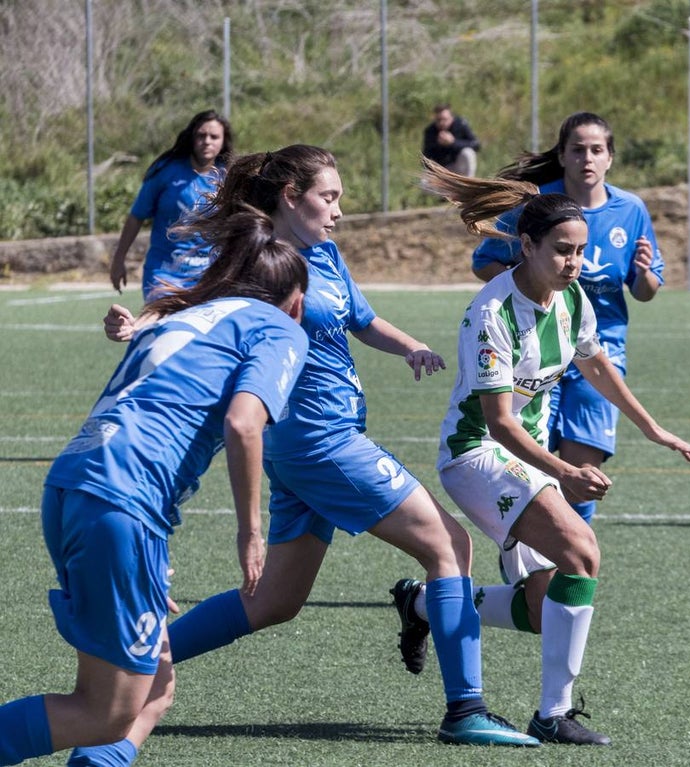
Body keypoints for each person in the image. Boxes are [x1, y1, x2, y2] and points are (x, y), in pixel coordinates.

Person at [93, 144, 538, 755]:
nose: (337, 211)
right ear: (290, 196)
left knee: (275, 600)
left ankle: (140, 661)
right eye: (328, 198)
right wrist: (138, 325)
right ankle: (466, 710)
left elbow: (360, 317)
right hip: (318, 441)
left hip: (313, 444)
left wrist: (409, 346)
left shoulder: (325, 253)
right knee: (449, 545)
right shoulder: (259, 262)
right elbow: (198, 305)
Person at [402, 159, 690, 745]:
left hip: (523, 458)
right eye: (563, 250)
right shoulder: (492, 313)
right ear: (528, 245)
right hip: (477, 455)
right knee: (581, 551)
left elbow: (595, 363)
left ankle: (424, 607)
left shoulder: (572, 298)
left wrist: (651, 427)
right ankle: (552, 714)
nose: (575, 263)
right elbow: (500, 423)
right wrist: (568, 470)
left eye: (581, 251)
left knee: (542, 611)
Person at [0, 211, 310, 766]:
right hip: (121, 501)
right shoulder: (279, 325)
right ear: (296, 300)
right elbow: (243, 424)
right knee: (105, 712)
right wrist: (250, 532)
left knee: (155, 686)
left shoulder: (188, 316)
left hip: (75, 484)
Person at [471, 111, 665, 524]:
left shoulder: (631, 210)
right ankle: (536, 574)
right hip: (536, 349)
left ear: (610, 158)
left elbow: (645, 291)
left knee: (582, 473)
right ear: (561, 155)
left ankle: (569, 567)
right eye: (577, 150)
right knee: (531, 467)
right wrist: (534, 296)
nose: (587, 158)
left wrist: (646, 273)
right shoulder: (538, 206)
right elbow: (485, 263)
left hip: (601, 349)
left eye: (597, 150)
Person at [109, 109, 234, 300]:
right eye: (201, 135)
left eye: (214, 136)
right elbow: (136, 217)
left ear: (223, 141)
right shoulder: (165, 172)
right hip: (165, 276)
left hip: (210, 277)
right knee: (166, 328)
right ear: (192, 137)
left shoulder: (230, 178)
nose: (207, 141)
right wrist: (119, 259)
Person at [422, 103, 481, 178]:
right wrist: (438, 144)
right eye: (438, 120)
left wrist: (453, 142)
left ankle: (469, 182)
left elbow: (476, 145)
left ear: (451, 117)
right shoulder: (430, 131)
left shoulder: (460, 124)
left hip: (459, 166)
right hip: (441, 169)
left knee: (468, 153)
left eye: (445, 119)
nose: (441, 123)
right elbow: (425, 158)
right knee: (424, 181)